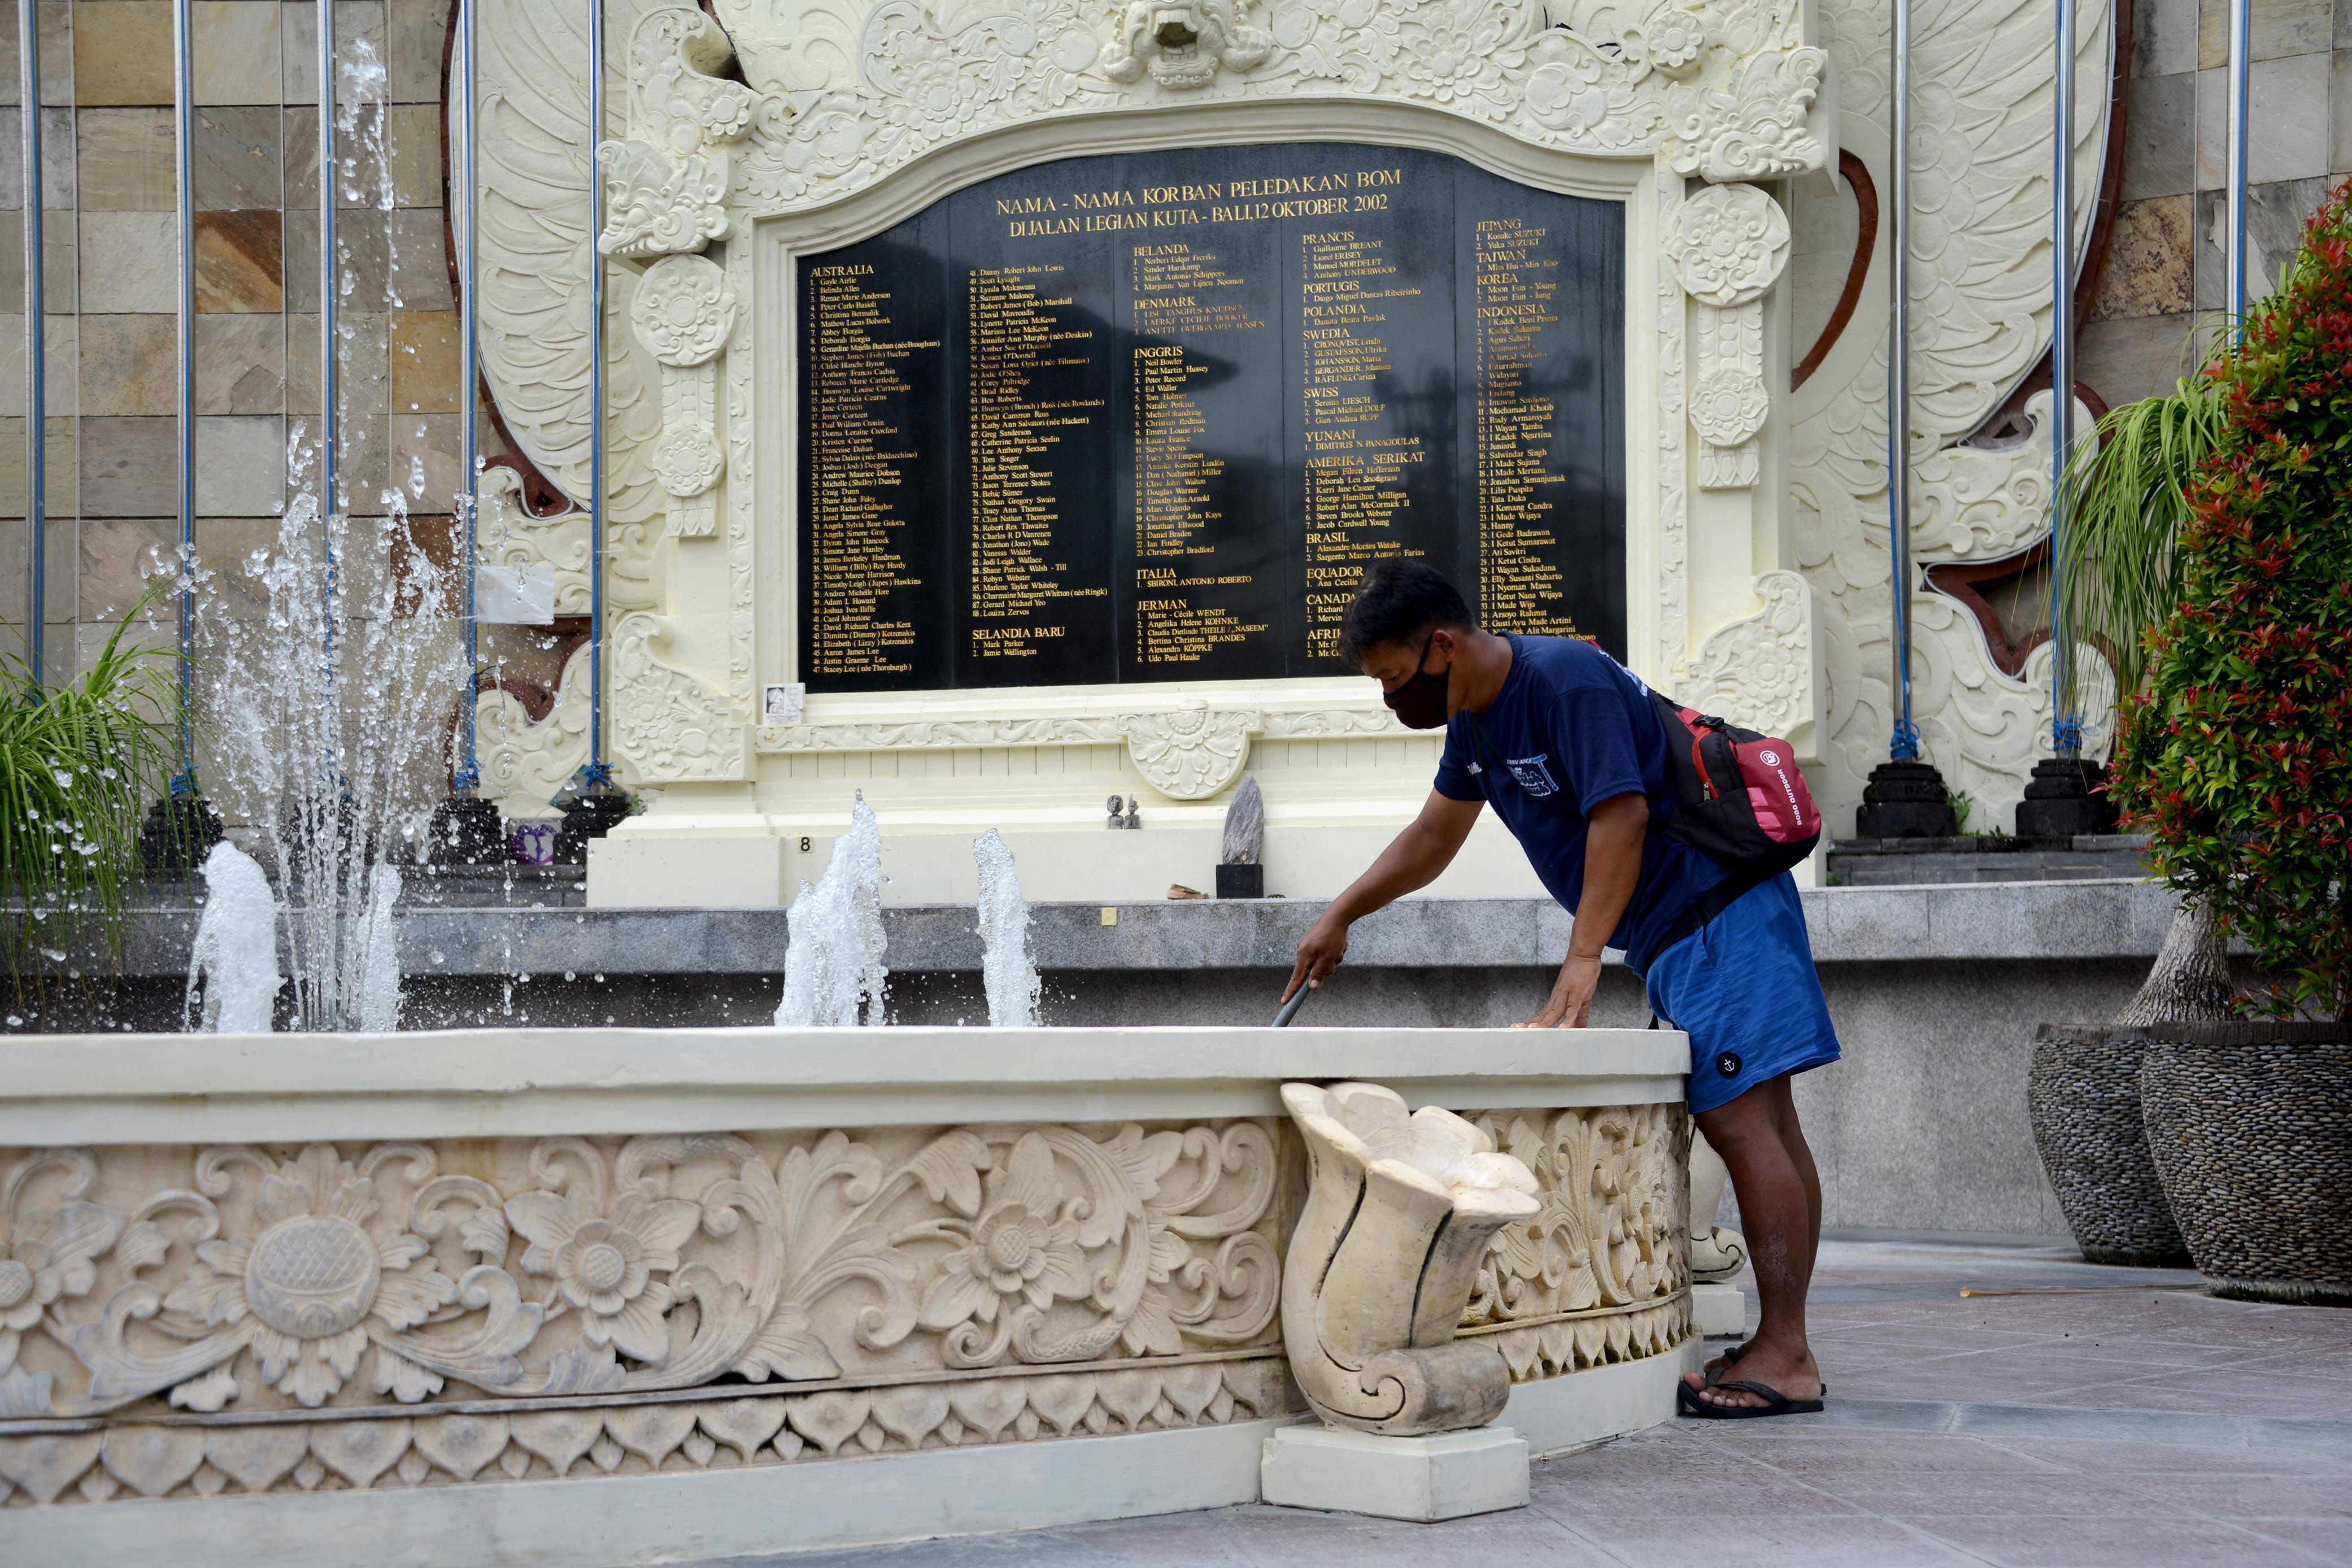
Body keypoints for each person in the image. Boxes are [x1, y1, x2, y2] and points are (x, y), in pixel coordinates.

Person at [1283, 559, 1841, 1419]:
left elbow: (1622, 814)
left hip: (1716, 908)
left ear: (1441, 645)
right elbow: (1435, 835)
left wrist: (1580, 966)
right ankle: (1786, 1341)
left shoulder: (1562, 679)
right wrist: (1343, 914)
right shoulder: (1474, 720)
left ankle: (1787, 1353)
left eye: (1396, 680)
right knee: (1764, 1118)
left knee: (1744, 1121)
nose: (1393, 703)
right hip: (1684, 927)